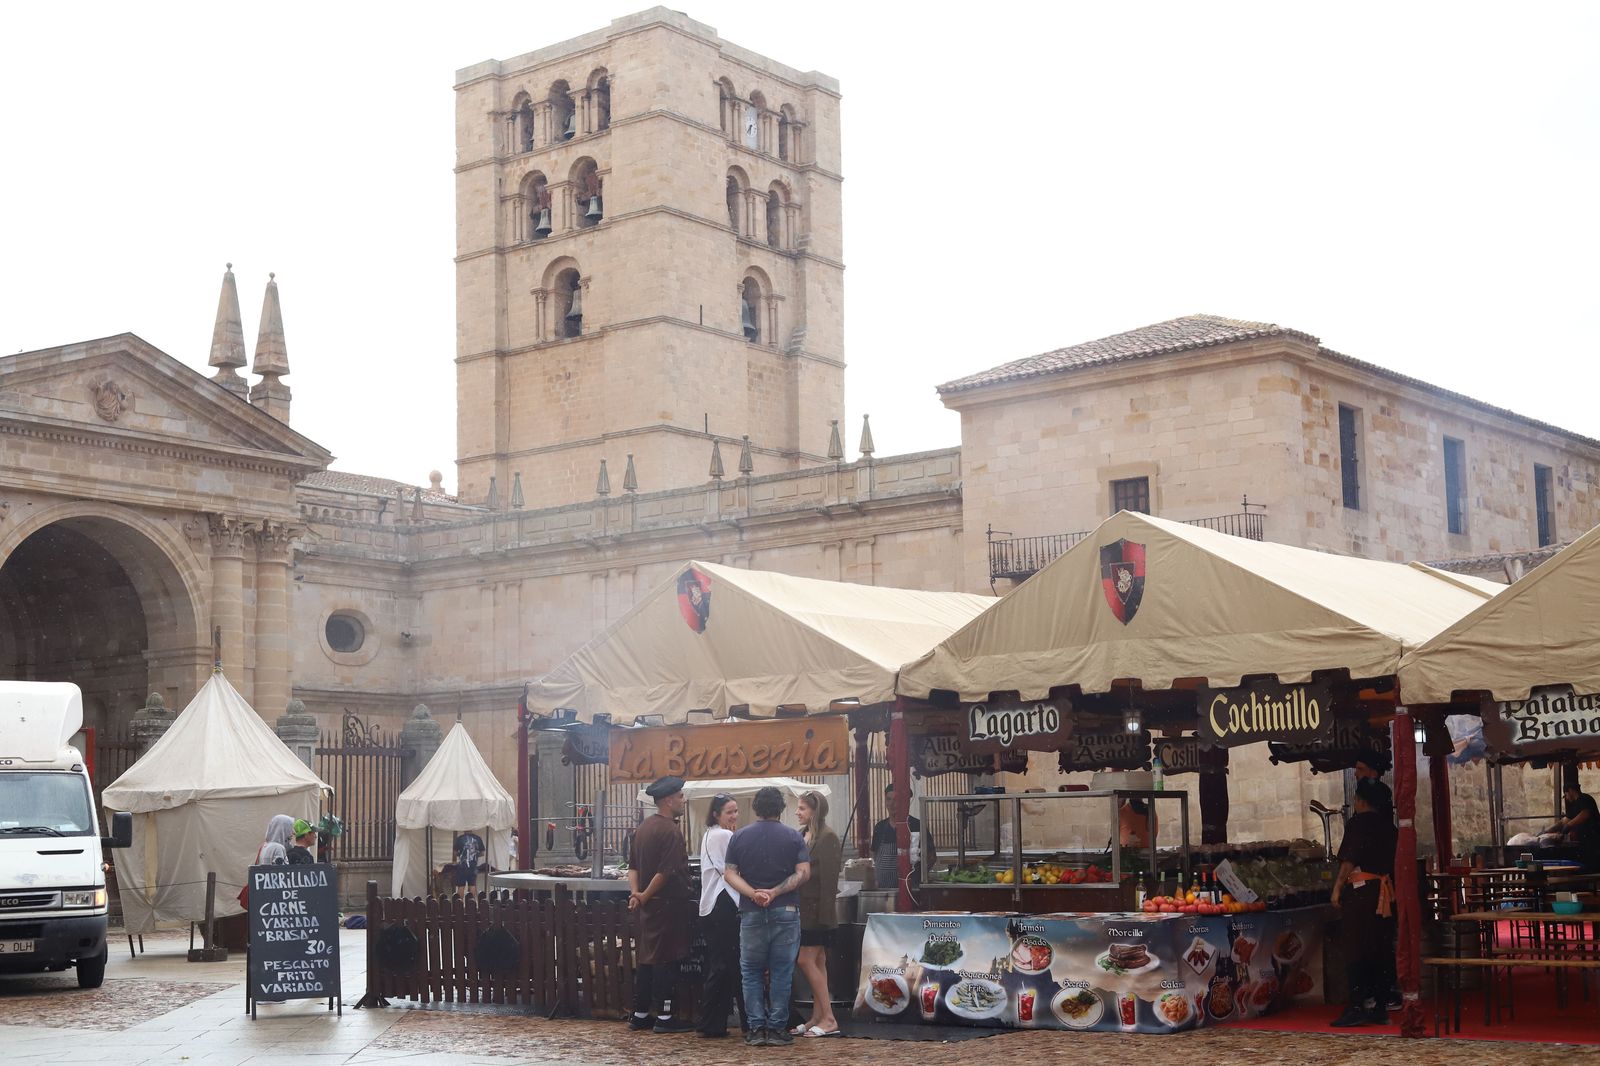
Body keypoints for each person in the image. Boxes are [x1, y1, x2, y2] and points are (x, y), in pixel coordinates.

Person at [724, 786, 810, 1048]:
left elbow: (729, 873)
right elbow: (803, 873)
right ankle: (776, 1029)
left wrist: (754, 894)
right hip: (786, 910)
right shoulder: (794, 837)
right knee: (782, 972)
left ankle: (755, 1029)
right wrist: (775, 892)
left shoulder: (738, 837)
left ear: (755, 808)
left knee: (750, 972)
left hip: (751, 912)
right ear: (781, 809)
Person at [627, 775, 696, 1034]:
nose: (683, 800)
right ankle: (665, 1017)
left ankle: (640, 1013)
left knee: (647, 958)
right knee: (666, 958)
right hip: (666, 904)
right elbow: (666, 872)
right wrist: (643, 895)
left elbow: (632, 866)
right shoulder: (671, 831)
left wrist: (637, 894)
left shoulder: (643, 827)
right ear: (668, 800)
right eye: (680, 796)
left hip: (647, 905)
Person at [1330, 777, 1398, 1027]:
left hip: (1362, 894)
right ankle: (1380, 1004)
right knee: (1379, 946)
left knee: (1356, 947)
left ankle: (1357, 1003)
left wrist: (1337, 888)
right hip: (1384, 892)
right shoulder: (1389, 827)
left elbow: (1349, 859)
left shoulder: (1358, 824)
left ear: (1360, 801)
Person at [696, 793, 747, 1039]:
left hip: (710, 906)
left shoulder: (709, 834)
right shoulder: (725, 836)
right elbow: (741, 866)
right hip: (724, 903)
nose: (734, 816)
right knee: (733, 964)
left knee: (721, 964)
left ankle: (712, 1021)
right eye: (729, 812)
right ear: (716, 814)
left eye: (736, 811)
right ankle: (748, 1021)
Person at [792, 790, 841, 1038]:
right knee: (818, 962)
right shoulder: (802, 835)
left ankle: (830, 1018)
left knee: (804, 960)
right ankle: (817, 1016)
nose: (797, 812)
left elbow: (830, 882)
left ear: (815, 810)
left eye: (802, 808)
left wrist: (824, 917)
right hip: (803, 910)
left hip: (818, 914)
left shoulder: (828, 837)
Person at [238, 814, 294, 907]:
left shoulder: (265, 845)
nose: (292, 833)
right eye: (290, 828)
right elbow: (281, 873)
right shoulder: (278, 848)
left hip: (264, 894)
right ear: (283, 829)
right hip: (275, 896)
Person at [1548, 781, 1600, 869]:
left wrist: (1568, 826)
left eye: (1566, 795)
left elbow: (1585, 814)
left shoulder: (1585, 799)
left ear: (1570, 791)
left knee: (1592, 865)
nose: (1567, 798)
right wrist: (1548, 831)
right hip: (1584, 841)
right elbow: (1563, 821)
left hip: (1593, 839)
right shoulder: (1575, 805)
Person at [453, 829, 486, 897]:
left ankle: (460, 905)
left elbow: (455, 853)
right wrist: (474, 855)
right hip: (473, 866)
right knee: (472, 885)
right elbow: (482, 853)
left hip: (462, 865)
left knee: (461, 886)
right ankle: (472, 904)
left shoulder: (459, 838)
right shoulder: (478, 838)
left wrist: (462, 854)